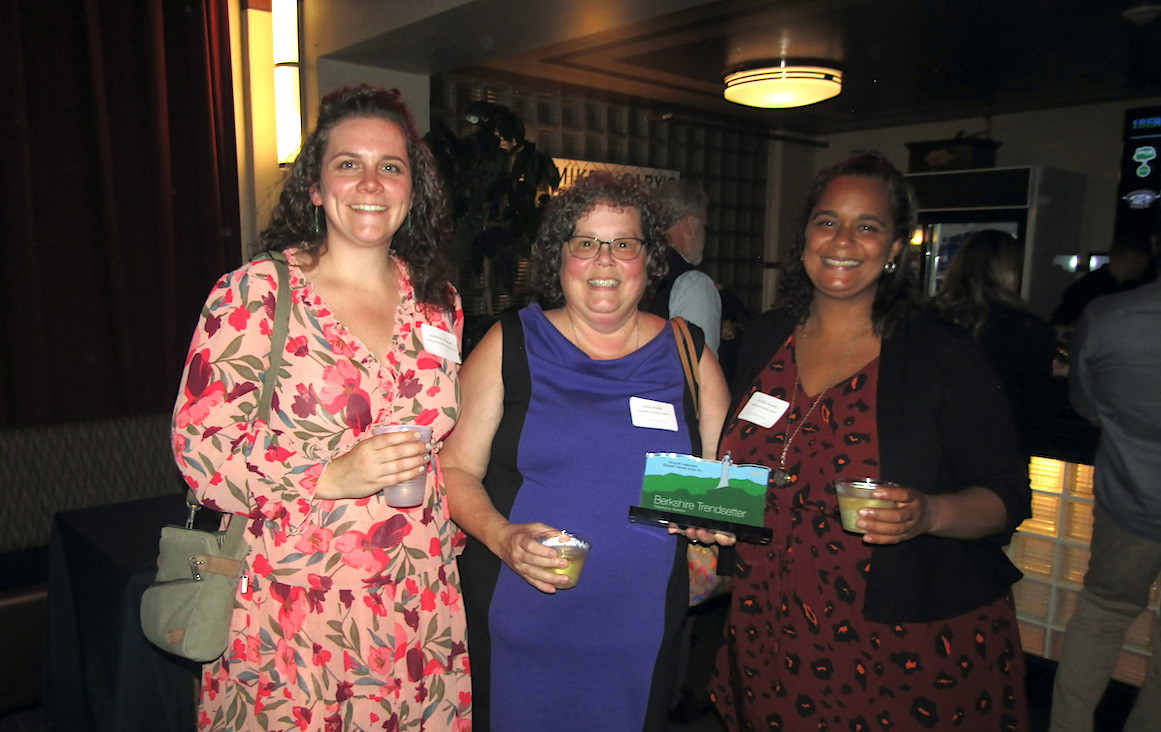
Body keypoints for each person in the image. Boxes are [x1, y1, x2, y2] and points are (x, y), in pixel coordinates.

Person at [171, 85, 471, 730]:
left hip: (417, 596)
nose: (370, 182)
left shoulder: (439, 303)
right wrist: (328, 473)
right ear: (314, 186)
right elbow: (200, 447)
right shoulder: (254, 292)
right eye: (347, 163)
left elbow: (441, 441)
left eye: (391, 167)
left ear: (412, 191)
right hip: (297, 602)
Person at [710, 153, 1031, 730]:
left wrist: (930, 512)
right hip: (771, 624)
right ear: (805, 235)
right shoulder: (764, 339)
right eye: (828, 221)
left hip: (898, 636)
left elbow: (1007, 494)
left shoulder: (941, 353)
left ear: (894, 250)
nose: (842, 241)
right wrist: (700, 510)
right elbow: (750, 476)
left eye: (868, 226)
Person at [440, 171, 731, 730]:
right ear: (560, 258)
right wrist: (502, 537)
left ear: (648, 259)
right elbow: (453, 469)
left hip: (640, 630)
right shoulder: (513, 343)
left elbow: (717, 486)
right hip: (523, 619)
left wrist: (717, 518)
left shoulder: (689, 355)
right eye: (586, 244)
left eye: (623, 244)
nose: (605, 261)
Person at [1049, 279, 1161, 732]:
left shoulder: (1109, 316)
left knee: (1100, 620)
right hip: (1129, 499)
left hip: (1131, 497)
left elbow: (1086, 405)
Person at [935, 229, 1058, 459]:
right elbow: (1039, 411)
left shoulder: (929, 317)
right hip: (1000, 451)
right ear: (1010, 271)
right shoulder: (1027, 327)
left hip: (937, 448)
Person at [650, 180, 722, 353]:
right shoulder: (694, 285)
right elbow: (698, 372)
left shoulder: (637, 270)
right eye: (703, 226)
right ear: (689, 224)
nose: (704, 234)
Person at [1050, 233, 1155, 327]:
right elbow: (1060, 325)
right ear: (1134, 258)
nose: (1145, 267)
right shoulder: (1088, 288)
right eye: (1145, 261)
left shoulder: (1086, 285)